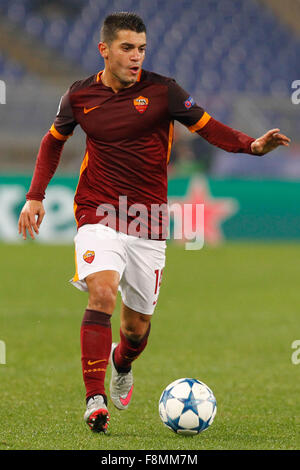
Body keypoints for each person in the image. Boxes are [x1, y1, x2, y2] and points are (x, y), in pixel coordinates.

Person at [18, 12, 290, 434]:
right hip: (99, 212)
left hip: (148, 221)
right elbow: (53, 142)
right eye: (127, 48)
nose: (136, 57)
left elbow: (208, 127)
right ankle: (94, 399)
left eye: (141, 49)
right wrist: (35, 194)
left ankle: (120, 363)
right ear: (104, 50)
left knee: (136, 329)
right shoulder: (78, 96)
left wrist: (251, 146)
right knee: (102, 293)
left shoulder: (163, 92)